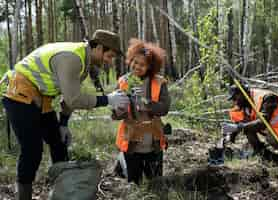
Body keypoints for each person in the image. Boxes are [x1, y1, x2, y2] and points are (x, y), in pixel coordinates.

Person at [2, 29, 130, 200]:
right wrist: (108, 100)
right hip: (18, 93)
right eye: (109, 56)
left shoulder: (83, 61)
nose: (109, 61)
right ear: (99, 48)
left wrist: (63, 124)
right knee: (32, 151)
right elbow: (75, 98)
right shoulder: (73, 58)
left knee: (59, 143)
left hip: (41, 97)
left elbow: (68, 98)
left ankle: (64, 193)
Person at [111, 38, 170, 185]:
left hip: (153, 140)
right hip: (131, 139)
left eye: (142, 65)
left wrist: (147, 103)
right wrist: (121, 105)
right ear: (130, 60)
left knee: (155, 183)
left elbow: (164, 109)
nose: (137, 67)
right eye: (135, 62)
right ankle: (122, 166)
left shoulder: (159, 82)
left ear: (150, 67)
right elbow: (114, 114)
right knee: (134, 183)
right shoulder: (123, 82)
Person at [222, 84, 278, 162]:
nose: (235, 102)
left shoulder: (268, 97)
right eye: (233, 99)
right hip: (272, 129)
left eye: (235, 98)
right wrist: (229, 138)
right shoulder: (244, 105)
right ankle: (262, 154)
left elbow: (263, 123)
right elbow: (240, 123)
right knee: (247, 128)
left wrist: (238, 127)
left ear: (242, 94)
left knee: (271, 138)